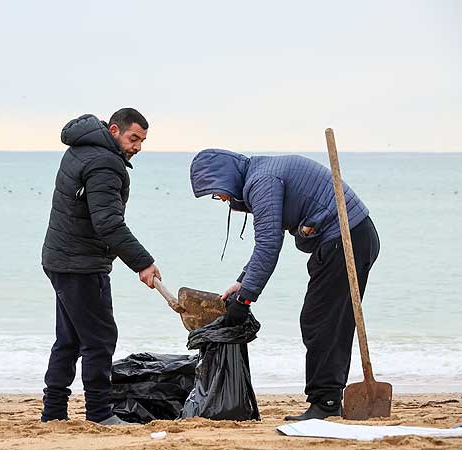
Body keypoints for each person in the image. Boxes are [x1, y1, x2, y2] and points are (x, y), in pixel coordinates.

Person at [190, 149, 380, 421]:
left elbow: (268, 244)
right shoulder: (261, 174)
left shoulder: (261, 181)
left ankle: (325, 403)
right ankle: (328, 399)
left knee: (322, 322)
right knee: (329, 322)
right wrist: (242, 282)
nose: (218, 197)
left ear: (226, 176)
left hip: (346, 241)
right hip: (350, 236)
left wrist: (245, 300)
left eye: (216, 190)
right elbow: (270, 237)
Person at [41, 108, 162, 426]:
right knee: (100, 338)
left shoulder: (80, 149)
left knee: (69, 339)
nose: (137, 147)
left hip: (60, 258)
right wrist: (143, 262)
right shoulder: (106, 163)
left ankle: (53, 413)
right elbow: (108, 223)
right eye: (133, 138)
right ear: (114, 130)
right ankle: (99, 413)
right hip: (80, 264)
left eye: (142, 141)